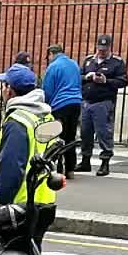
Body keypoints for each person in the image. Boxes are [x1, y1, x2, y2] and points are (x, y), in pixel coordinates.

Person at [0, 63, 57, 246]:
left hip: (18, 206)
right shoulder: (44, 116)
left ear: (10, 90)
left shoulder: (17, 121)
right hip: (44, 201)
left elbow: (11, 169)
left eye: (4, 85)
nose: (2, 90)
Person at [79, 34, 128, 176]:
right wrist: (88, 77)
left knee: (104, 133)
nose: (102, 51)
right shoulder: (89, 61)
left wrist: (106, 81)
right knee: (85, 133)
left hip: (103, 103)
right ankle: (85, 161)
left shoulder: (117, 62)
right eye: (100, 48)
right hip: (87, 101)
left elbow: (123, 81)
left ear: (109, 48)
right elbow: (79, 77)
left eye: (104, 49)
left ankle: (105, 162)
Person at [42, 44, 83, 175]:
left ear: (51, 54)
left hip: (60, 104)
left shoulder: (53, 67)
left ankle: (58, 167)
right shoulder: (74, 64)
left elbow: (47, 90)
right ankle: (70, 168)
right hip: (76, 103)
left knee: (57, 137)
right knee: (70, 136)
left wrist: (47, 106)